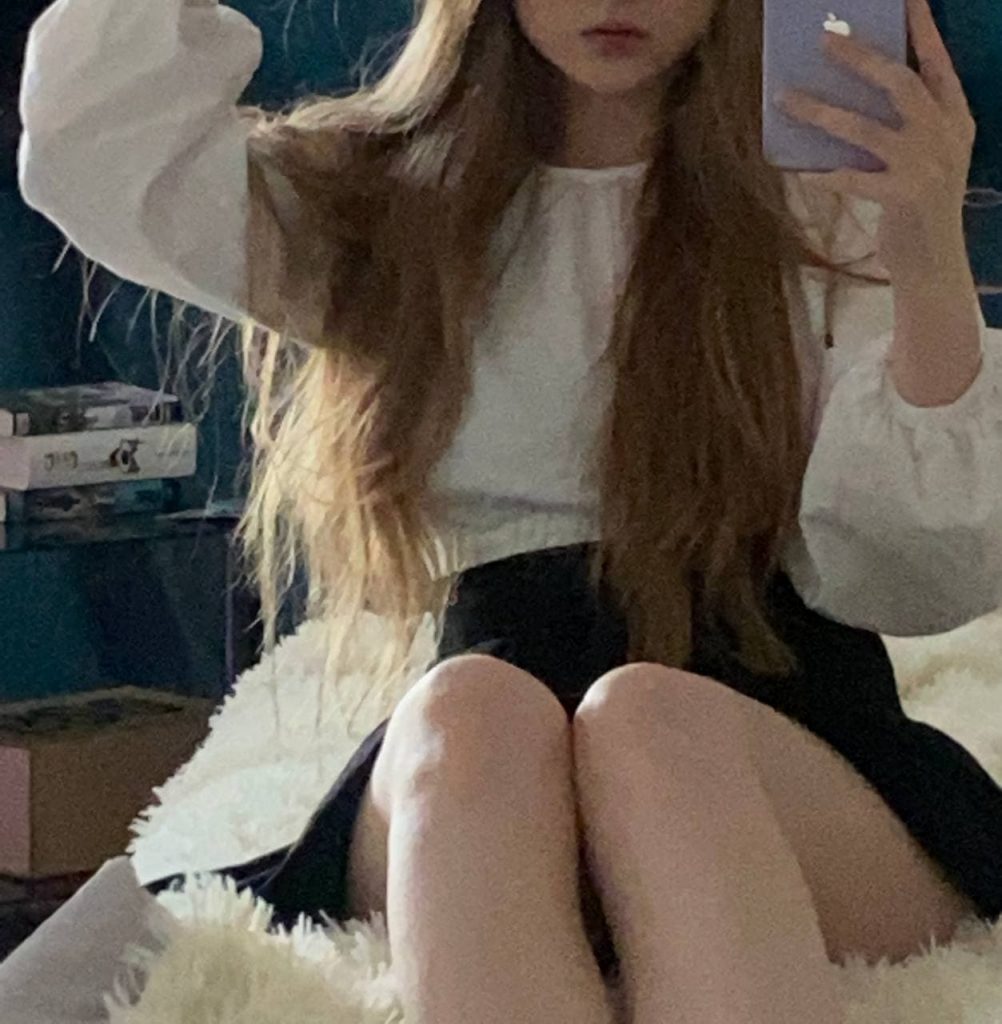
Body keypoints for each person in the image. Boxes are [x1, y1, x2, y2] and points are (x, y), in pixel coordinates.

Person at [12, 0, 1002, 1021]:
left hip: (780, 736)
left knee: (647, 724)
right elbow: (99, 151)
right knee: (465, 713)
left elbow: (916, 575)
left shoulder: (823, 195)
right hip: (489, 761)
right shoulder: (393, 200)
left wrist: (926, 244)